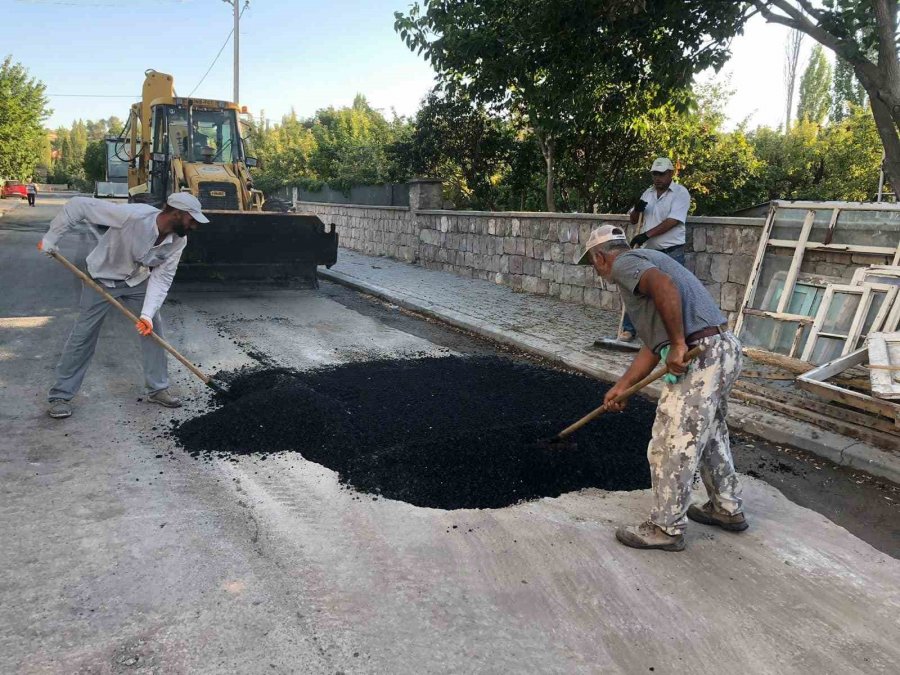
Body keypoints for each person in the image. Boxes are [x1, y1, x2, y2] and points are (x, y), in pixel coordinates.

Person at [577, 224, 747, 552]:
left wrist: (680, 345)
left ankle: (665, 528)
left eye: (593, 266)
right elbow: (654, 346)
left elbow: (664, 286)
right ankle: (727, 508)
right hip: (723, 347)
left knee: (671, 441)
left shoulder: (626, 263)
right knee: (710, 434)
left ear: (601, 257)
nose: (599, 274)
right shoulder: (650, 259)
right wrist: (622, 387)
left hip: (701, 353)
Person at [38, 193, 209, 419]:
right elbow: (78, 206)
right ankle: (60, 395)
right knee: (83, 336)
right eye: (192, 219)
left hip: (135, 282)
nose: (194, 226)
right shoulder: (131, 216)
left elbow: (162, 278)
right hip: (99, 278)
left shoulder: (179, 240)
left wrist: (146, 315)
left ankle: (157, 389)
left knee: (153, 330)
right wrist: (52, 238)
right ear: (176, 213)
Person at [619, 157, 691, 343]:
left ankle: (674, 336)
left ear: (670, 174)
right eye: (655, 174)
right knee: (636, 288)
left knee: (674, 293)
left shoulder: (680, 193)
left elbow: (672, 221)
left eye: (661, 174)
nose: (658, 178)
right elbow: (634, 220)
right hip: (649, 252)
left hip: (671, 252)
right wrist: (637, 209)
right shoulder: (648, 193)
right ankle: (628, 329)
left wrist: (646, 235)